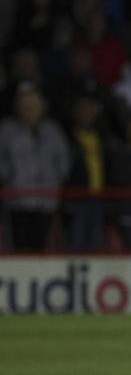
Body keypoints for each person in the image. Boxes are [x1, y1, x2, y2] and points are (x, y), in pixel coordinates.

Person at [0, 83, 71, 250]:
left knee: (46, 249)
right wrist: (9, 177)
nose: (29, 108)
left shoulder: (52, 130)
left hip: (47, 202)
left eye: (33, 103)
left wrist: (56, 182)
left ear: (41, 105)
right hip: (18, 203)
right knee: (20, 249)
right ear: (18, 106)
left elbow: (63, 160)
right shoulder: (7, 130)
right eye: (25, 104)